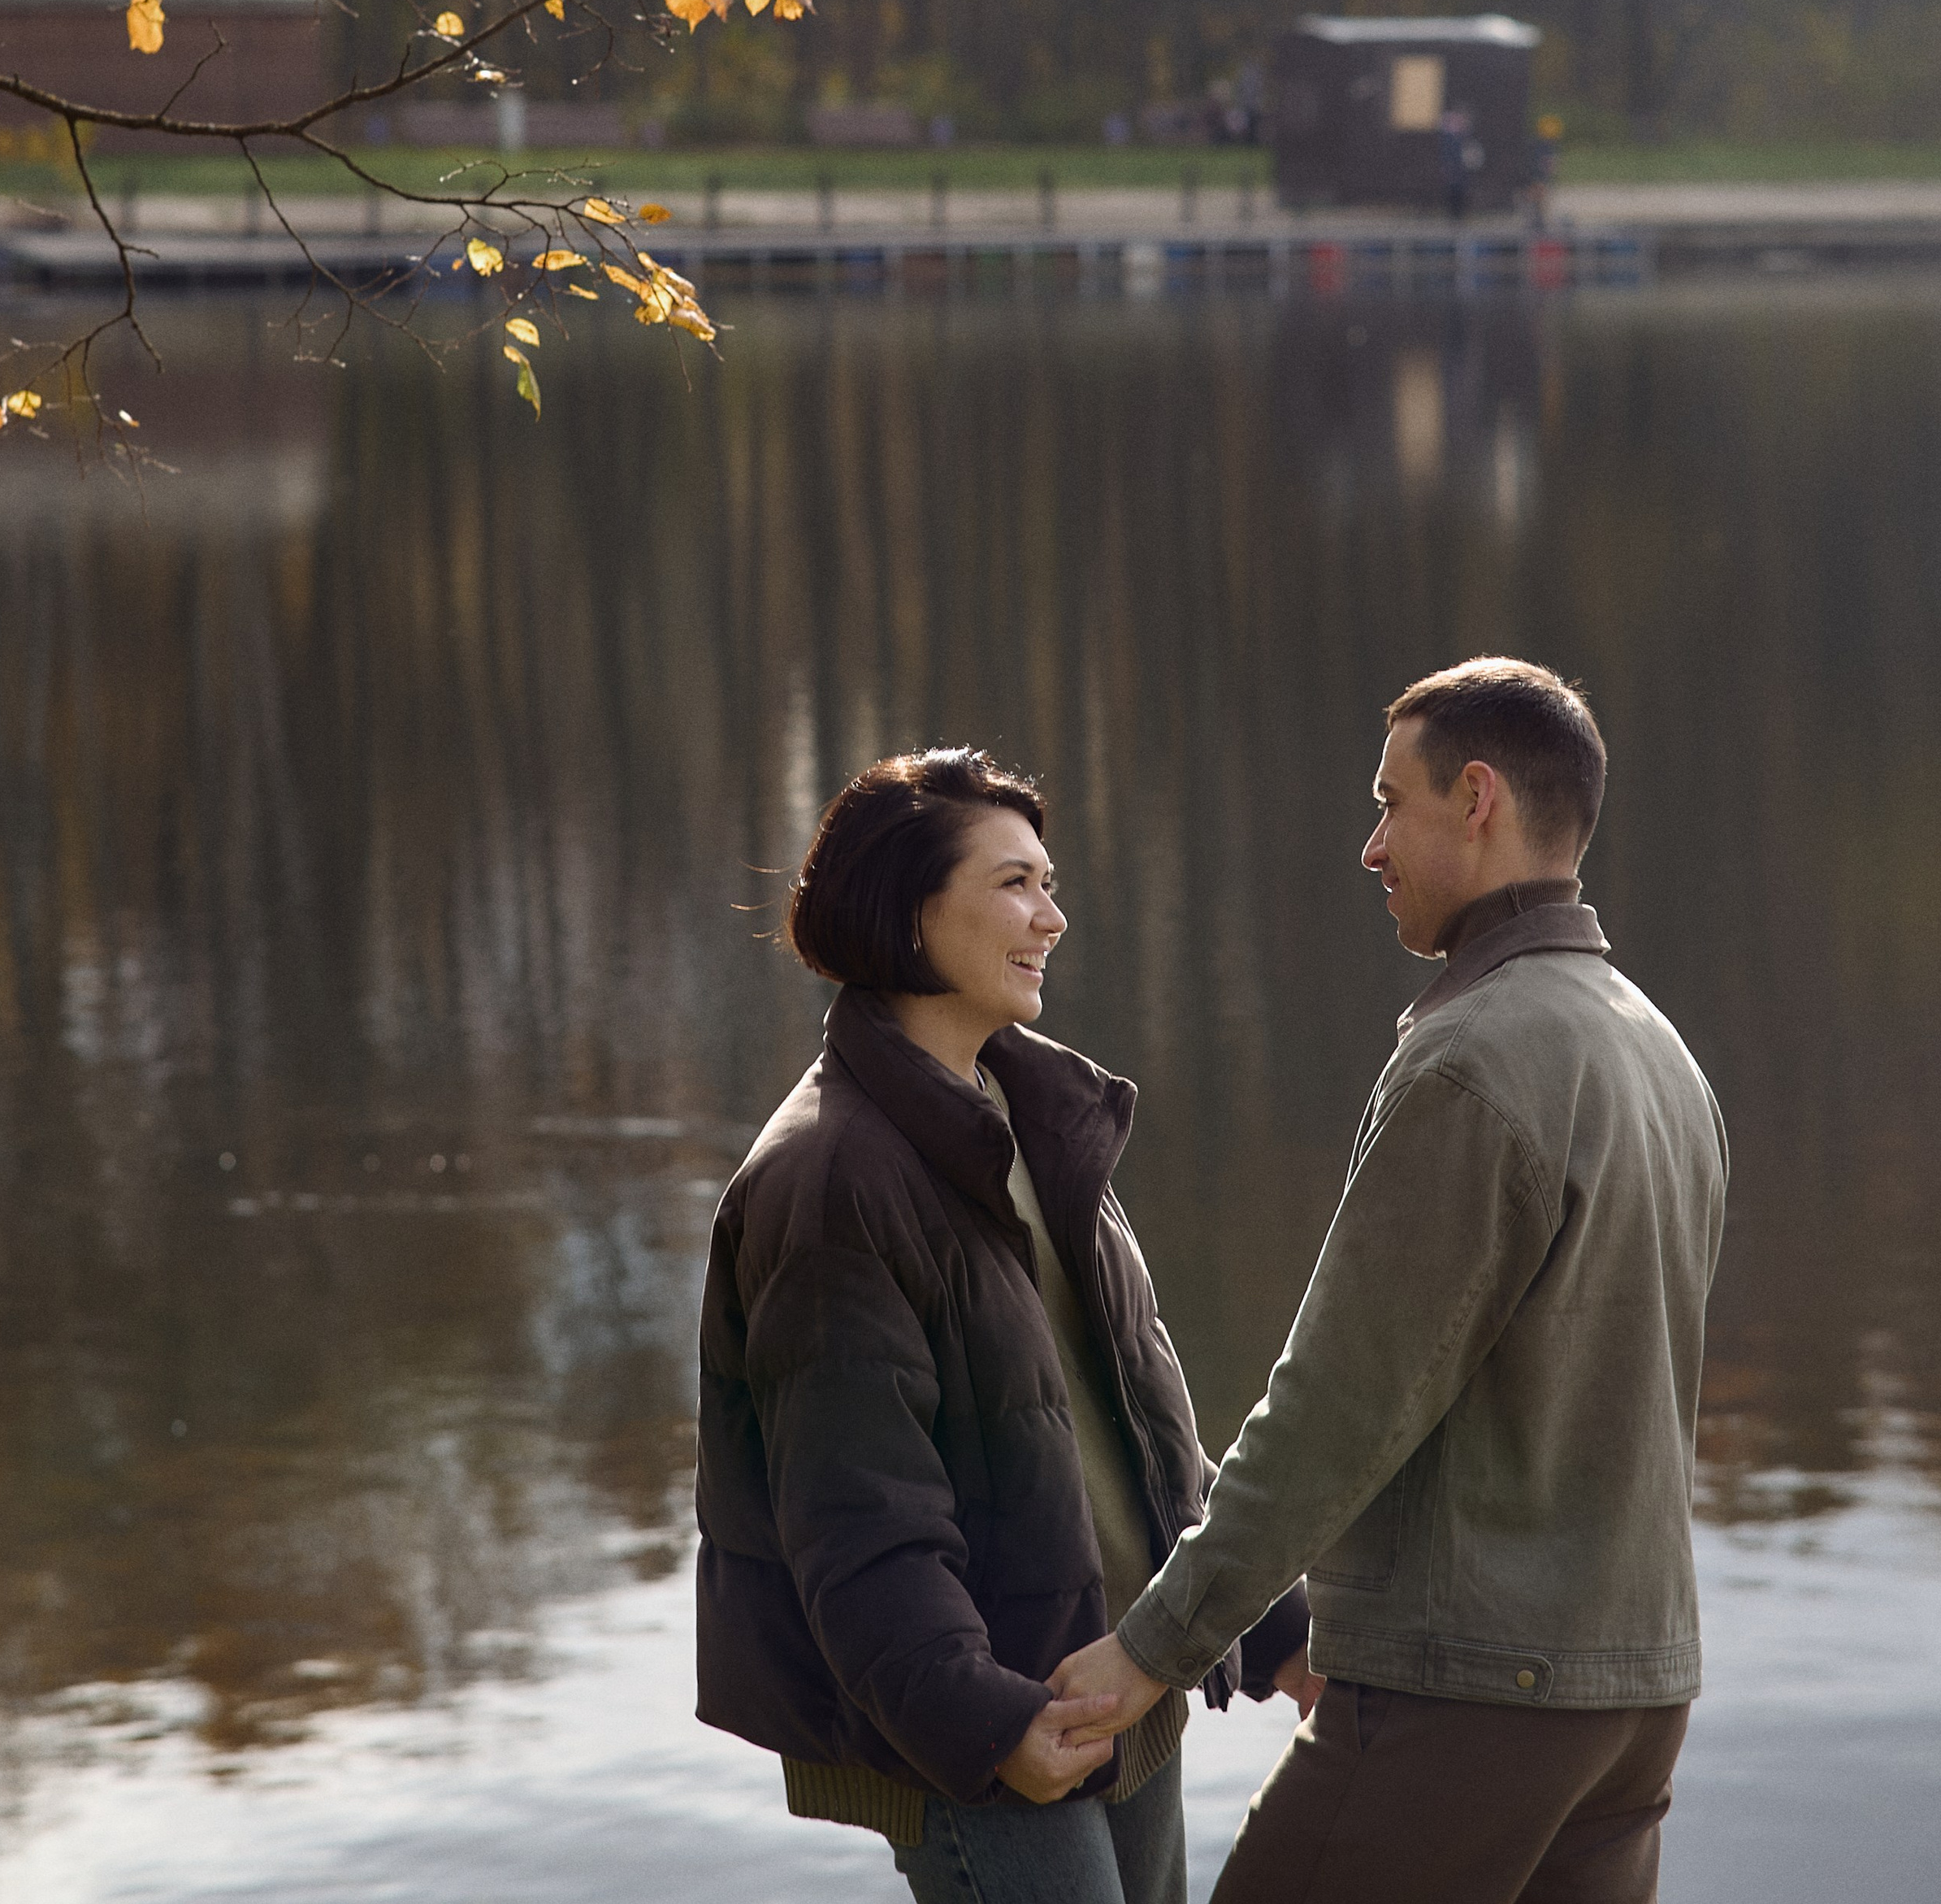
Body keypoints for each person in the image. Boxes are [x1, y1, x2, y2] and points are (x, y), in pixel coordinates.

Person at [1052, 659, 1729, 1904]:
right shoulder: (1656, 1047)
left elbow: (1335, 1408)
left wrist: (1155, 1644)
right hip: (1633, 1694)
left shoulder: (1474, 1060)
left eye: (1390, 802)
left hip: (1468, 1700)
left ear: (1478, 797)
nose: (1371, 845)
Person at [695, 747, 1311, 1904]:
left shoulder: (1033, 1112)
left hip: (1121, 1681)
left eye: (1050, 880)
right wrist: (986, 1723)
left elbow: (1136, 1414)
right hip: (988, 1738)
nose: (1054, 916)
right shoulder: (830, 1179)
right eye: (1015, 883)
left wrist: (1268, 1620)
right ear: (907, 910)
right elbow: (854, 1518)